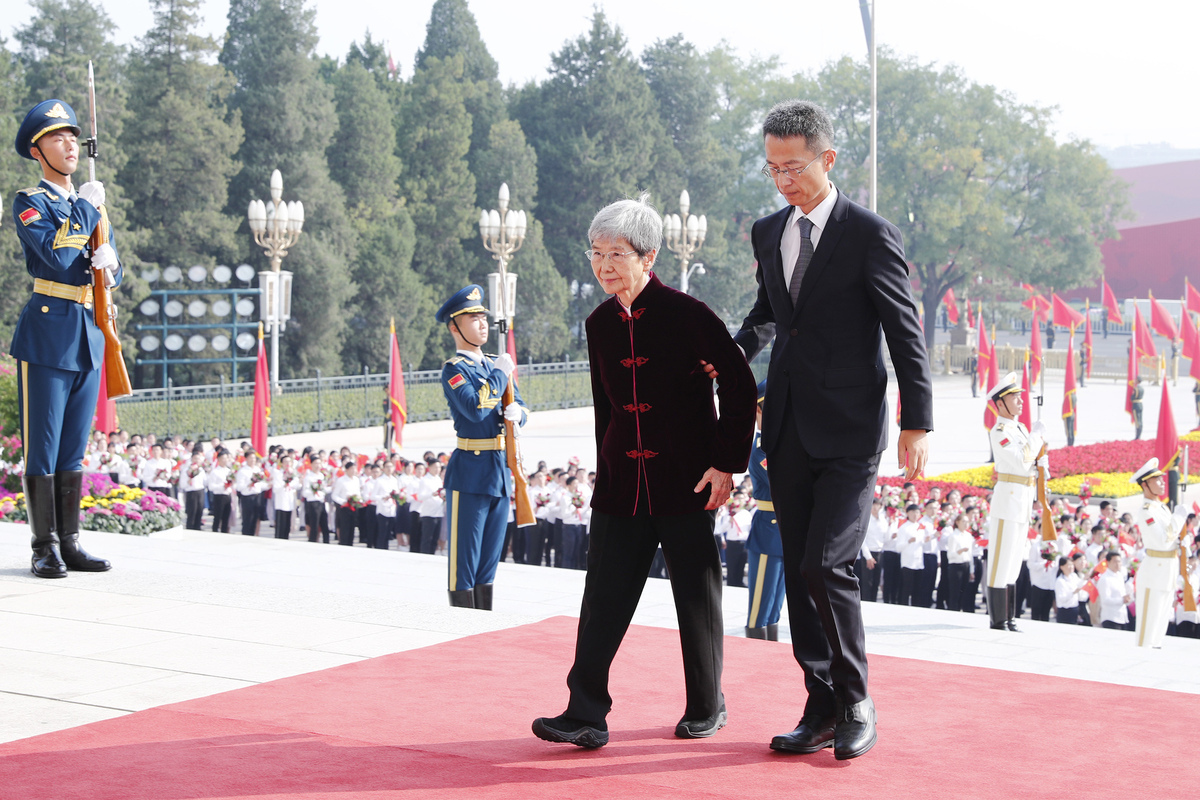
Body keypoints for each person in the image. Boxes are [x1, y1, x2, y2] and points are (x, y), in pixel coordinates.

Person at [728, 100, 933, 760]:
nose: (783, 179)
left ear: (828, 158)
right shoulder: (769, 231)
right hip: (786, 425)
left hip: (850, 430)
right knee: (797, 569)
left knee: (828, 562)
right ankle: (819, 703)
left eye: (794, 166)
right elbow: (769, 313)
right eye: (772, 167)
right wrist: (727, 358)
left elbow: (904, 329)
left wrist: (917, 421)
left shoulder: (868, 233)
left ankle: (856, 699)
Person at [532, 194, 756, 750]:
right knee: (601, 598)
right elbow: (605, 408)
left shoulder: (688, 314)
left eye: (616, 253)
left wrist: (727, 463)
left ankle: (707, 705)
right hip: (621, 487)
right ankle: (585, 712)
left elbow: (739, 382)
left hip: (686, 482)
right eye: (596, 253)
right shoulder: (598, 322)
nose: (604, 265)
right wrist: (605, 472)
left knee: (696, 597)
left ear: (648, 256)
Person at [10, 99, 122, 578]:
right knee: (44, 446)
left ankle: (71, 542)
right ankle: (43, 546)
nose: (70, 144)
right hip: (47, 335)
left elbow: (109, 270)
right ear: (38, 151)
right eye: (58, 137)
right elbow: (56, 261)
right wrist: (85, 210)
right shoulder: (30, 203)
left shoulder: (92, 204)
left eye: (74, 137)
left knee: (73, 448)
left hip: (88, 333)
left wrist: (112, 266)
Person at [436, 285, 528, 609]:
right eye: (473, 318)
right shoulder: (454, 370)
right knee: (464, 563)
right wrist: (501, 375)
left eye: (483, 317)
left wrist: (519, 414)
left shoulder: (494, 363)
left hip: (500, 472)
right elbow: (475, 409)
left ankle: (483, 623)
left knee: (489, 561)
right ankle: (461, 624)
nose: (482, 324)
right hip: (470, 474)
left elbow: (519, 405)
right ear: (454, 327)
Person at [984, 372, 1046, 632]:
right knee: (1000, 560)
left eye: (1020, 398)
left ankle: (1009, 617)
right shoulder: (999, 432)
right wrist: (1037, 437)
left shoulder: (1019, 428)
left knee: (1013, 560)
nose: (1020, 402)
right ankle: (998, 620)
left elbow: (1032, 462)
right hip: (1008, 502)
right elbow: (1021, 461)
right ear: (1000, 403)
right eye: (1014, 398)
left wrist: (1042, 460)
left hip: (1023, 501)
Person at [1130, 458, 1188, 648]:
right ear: (1145, 485)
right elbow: (1163, 541)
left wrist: (1181, 541)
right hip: (1154, 571)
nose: (1163, 483)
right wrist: (1179, 518)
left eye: (1162, 479)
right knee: (1148, 625)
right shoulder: (1146, 512)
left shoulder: (1160, 507)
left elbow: (1170, 539)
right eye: (1158, 480)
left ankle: (1154, 653)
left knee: (1161, 622)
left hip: (1167, 570)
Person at [746, 381, 787, 640]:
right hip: (768, 528)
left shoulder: (778, 445)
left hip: (782, 529)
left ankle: (770, 646)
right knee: (760, 604)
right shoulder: (762, 449)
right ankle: (755, 644)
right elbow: (781, 482)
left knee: (775, 602)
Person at [206, 451, 233, 533]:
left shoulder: (229, 471)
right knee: (218, 517)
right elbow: (211, 487)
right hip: (219, 496)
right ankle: (215, 532)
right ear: (218, 459)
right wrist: (222, 486)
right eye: (223, 458)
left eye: (226, 458)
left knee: (226, 517)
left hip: (227, 495)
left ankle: (224, 532)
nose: (225, 460)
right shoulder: (215, 472)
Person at [1054, 556, 1087, 625]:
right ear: (1062, 567)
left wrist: (1085, 579)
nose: (1071, 567)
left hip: (1074, 609)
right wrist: (1073, 592)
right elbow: (1062, 599)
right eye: (1068, 565)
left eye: (1072, 564)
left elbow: (1079, 585)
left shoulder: (1073, 576)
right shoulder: (1060, 581)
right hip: (1064, 611)